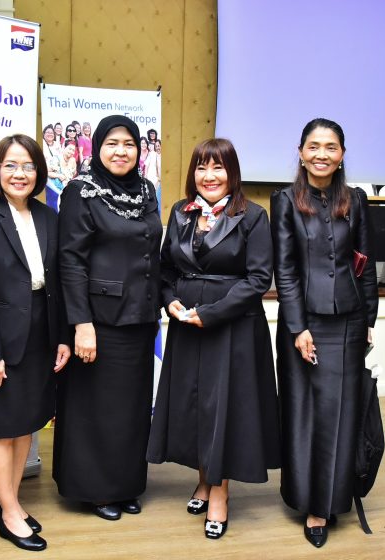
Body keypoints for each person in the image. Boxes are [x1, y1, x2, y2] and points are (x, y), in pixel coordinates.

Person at [147, 138, 280, 540]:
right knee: (196, 405)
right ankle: (204, 479)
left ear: (232, 173)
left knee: (223, 407)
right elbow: (166, 269)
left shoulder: (253, 216)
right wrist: (170, 301)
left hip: (233, 326)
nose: (209, 176)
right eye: (202, 167)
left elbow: (259, 279)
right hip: (187, 324)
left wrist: (212, 313)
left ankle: (220, 494)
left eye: (218, 167)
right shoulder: (180, 212)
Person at [0, 134, 71, 552]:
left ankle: (12, 501)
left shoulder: (50, 217)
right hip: (0, 340)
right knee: (2, 428)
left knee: (26, 423)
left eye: (27, 166)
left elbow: (59, 284)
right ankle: (8, 514)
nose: (19, 173)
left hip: (42, 335)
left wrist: (62, 337)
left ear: (38, 172)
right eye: (10, 165)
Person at [271, 118, 378, 548]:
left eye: (331, 147)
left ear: (342, 155)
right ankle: (309, 503)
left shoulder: (356, 200)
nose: (321, 154)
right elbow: (285, 270)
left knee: (341, 415)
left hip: (348, 322)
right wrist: (298, 327)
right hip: (303, 323)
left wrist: (369, 320)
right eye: (313, 146)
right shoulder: (285, 201)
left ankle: (330, 502)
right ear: (301, 153)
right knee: (304, 414)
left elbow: (365, 263)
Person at [52, 115, 163, 521]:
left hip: (141, 317)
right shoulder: (80, 190)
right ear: (97, 147)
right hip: (98, 321)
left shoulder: (146, 190)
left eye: (129, 143)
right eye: (112, 143)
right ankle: (96, 490)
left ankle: (125, 485)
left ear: (139, 149)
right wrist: (81, 324)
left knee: (131, 410)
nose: (121, 151)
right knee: (97, 408)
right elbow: (71, 261)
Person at [43, 124, 66, 208]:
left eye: (52, 133)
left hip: (58, 174)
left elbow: (61, 159)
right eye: (47, 132)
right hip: (46, 175)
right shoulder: (41, 144)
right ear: (44, 134)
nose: (50, 134)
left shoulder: (57, 145)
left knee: (59, 198)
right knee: (51, 198)